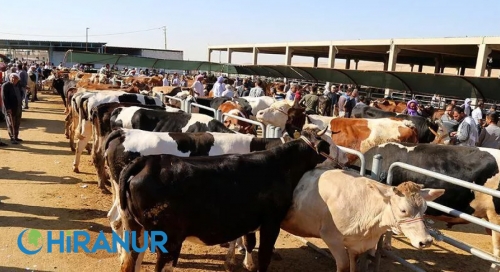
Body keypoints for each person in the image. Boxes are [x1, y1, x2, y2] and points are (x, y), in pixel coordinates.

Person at [1, 73, 23, 144]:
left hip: (18, 107)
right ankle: (12, 138)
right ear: (10, 78)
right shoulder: (6, 86)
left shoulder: (18, 85)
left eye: (15, 78)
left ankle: (16, 136)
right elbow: (4, 98)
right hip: (10, 108)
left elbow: (21, 93)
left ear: (18, 79)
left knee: (17, 122)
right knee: (11, 123)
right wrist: (8, 108)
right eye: (12, 78)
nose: (14, 79)